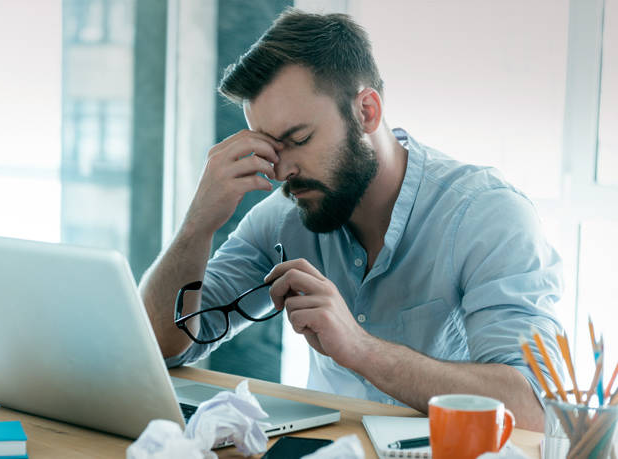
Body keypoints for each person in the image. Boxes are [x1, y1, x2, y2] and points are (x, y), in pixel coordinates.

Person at [139, 8, 563, 431]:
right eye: (270, 149)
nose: (283, 171)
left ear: (366, 111)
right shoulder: (282, 219)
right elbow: (164, 345)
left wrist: (361, 349)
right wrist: (197, 224)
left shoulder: (488, 217)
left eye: (299, 139)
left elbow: (532, 409)